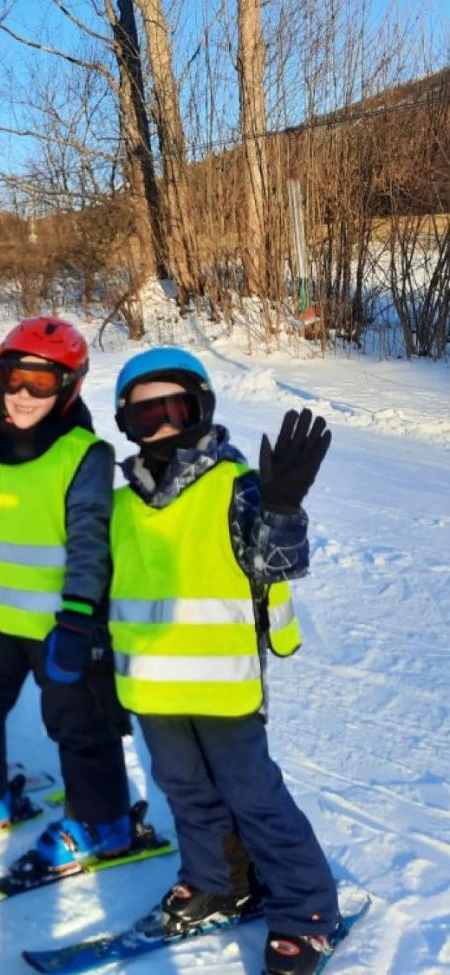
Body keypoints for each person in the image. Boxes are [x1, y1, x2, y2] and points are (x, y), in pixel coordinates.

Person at [110, 348, 339, 975]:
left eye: (172, 407)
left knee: (253, 797)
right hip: (152, 687)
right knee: (185, 791)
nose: (157, 423)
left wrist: (283, 505)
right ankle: (218, 880)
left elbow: (277, 564)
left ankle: (306, 911)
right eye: (141, 414)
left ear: (199, 409)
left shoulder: (234, 485)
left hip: (224, 683)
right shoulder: (124, 500)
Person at [0, 317, 134, 871]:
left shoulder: (84, 454)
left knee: (78, 725)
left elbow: (89, 543)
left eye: (41, 383)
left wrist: (79, 621)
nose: (24, 395)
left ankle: (103, 822)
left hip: (65, 624)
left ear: (69, 388)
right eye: (14, 378)